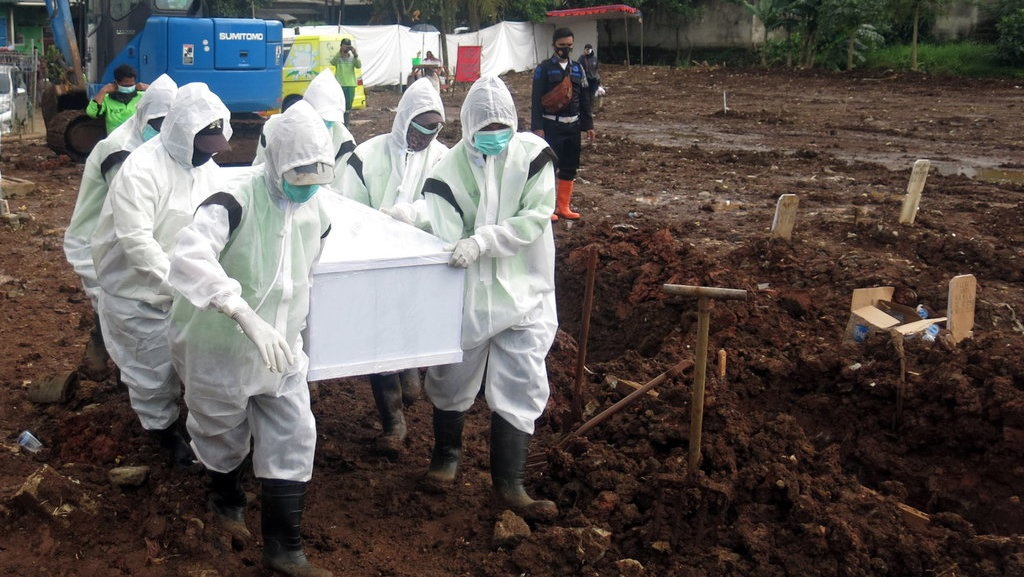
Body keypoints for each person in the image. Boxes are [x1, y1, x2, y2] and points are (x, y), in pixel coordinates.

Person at [168, 100, 335, 577]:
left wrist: (294, 328)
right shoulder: (233, 199)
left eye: (316, 176)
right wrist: (241, 311)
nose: (306, 186)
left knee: (295, 431)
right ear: (276, 161)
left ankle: (285, 548)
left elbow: (306, 270)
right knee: (221, 432)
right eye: (298, 173)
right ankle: (226, 499)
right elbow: (189, 258)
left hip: (280, 347)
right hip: (217, 344)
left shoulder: (315, 211)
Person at [420, 75, 559, 521]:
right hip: (470, 295)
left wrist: (483, 241)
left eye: (503, 125)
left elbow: (536, 216)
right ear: (468, 127)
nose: (496, 135)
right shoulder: (446, 172)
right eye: (487, 128)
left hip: (525, 289)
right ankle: (446, 456)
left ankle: (510, 484)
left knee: (521, 381)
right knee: (451, 377)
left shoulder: (535, 157)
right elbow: (444, 231)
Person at [90, 82, 232, 467]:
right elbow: (138, 244)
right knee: (150, 368)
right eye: (204, 146)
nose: (209, 156)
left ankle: (185, 419)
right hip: (139, 292)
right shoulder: (140, 170)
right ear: (185, 135)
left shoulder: (207, 169)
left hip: (184, 290)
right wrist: (183, 286)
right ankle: (161, 432)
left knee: (189, 361)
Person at [341, 76, 448, 455]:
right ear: (403, 122)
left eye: (433, 132)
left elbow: (446, 208)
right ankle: (393, 424)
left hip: (421, 265)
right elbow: (347, 207)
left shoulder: (443, 159)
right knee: (379, 341)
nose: (423, 140)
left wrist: (412, 214)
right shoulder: (367, 157)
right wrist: (372, 226)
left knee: (413, 328)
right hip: (374, 263)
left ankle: (411, 374)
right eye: (418, 131)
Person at [64, 74, 178, 380]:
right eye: (158, 122)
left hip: (127, 240)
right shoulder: (121, 152)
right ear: (143, 114)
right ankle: (115, 365)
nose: (163, 130)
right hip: (102, 245)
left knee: (132, 310)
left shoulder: (153, 142)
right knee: (119, 305)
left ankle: (121, 365)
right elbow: (132, 219)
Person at [254, 69, 356, 194]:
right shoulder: (273, 128)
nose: (324, 125)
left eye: (329, 121)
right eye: (321, 119)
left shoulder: (343, 140)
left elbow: (342, 187)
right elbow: (260, 170)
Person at [531, 27, 595, 221]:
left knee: (569, 167)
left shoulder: (578, 68)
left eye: (569, 46)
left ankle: (564, 207)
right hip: (551, 126)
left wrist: (588, 124)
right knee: (549, 168)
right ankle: (547, 208)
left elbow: (584, 98)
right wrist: (537, 127)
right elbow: (535, 100)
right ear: (553, 45)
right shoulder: (543, 69)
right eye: (561, 46)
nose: (565, 49)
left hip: (573, 126)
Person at [86, 64, 150, 134]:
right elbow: (92, 113)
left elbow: (162, 98)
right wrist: (103, 91)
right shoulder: (106, 99)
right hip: (116, 141)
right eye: (125, 85)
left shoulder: (141, 96)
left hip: (137, 140)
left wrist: (148, 88)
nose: (129, 88)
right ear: (116, 83)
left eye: (131, 85)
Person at [331, 38, 361, 125]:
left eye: (348, 46)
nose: (346, 48)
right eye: (344, 46)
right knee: (339, 105)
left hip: (350, 85)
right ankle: (340, 123)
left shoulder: (352, 58)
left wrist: (355, 54)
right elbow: (332, 62)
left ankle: (346, 124)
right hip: (340, 85)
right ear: (341, 46)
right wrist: (340, 52)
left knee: (348, 106)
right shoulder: (338, 57)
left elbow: (358, 65)